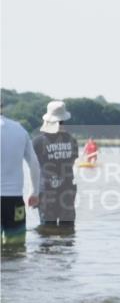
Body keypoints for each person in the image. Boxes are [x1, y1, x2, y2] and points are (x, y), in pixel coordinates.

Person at [32, 100, 78, 227]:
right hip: (67, 191)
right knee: (68, 235)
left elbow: (33, 168)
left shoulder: (37, 141)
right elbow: (72, 162)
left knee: (46, 235)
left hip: (46, 192)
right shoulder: (72, 140)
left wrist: (33, 192)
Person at [1, 114, 41, 247]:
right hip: (15, 201)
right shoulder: (19, 129)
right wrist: (34, 192)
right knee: (16, 249)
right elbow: (34, 163)